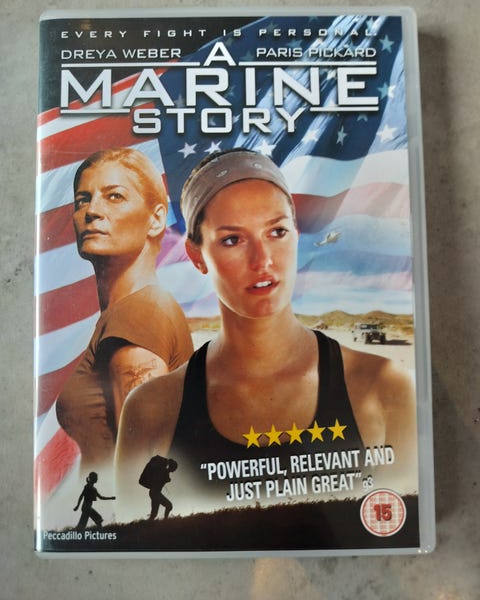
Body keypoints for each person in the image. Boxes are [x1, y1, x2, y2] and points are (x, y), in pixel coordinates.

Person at [114, 149, 417, 517]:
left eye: (277, 232)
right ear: (196, 256)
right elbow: (134, 542)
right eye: (232, 240)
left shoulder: (385, 388)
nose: (263, 260)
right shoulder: (152, 409)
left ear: (296, 235)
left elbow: (401, 531)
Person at [56, 148, 194, 477]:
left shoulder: (138, 314)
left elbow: (143, 472)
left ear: (156, 219)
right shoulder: (129, 311)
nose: (92, 211)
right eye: (82, 200)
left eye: (114, 196)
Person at [139, 456, 178, 520]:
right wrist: (166, 479)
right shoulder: (163, 471)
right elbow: (160, 480)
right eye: (174, 468)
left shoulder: (164, 471)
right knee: (168, 506)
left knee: (155, 513)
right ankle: (165, 521)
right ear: (171, 467)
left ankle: (163, 520)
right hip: (155, 493)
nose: (174, 470)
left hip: (155, 493)